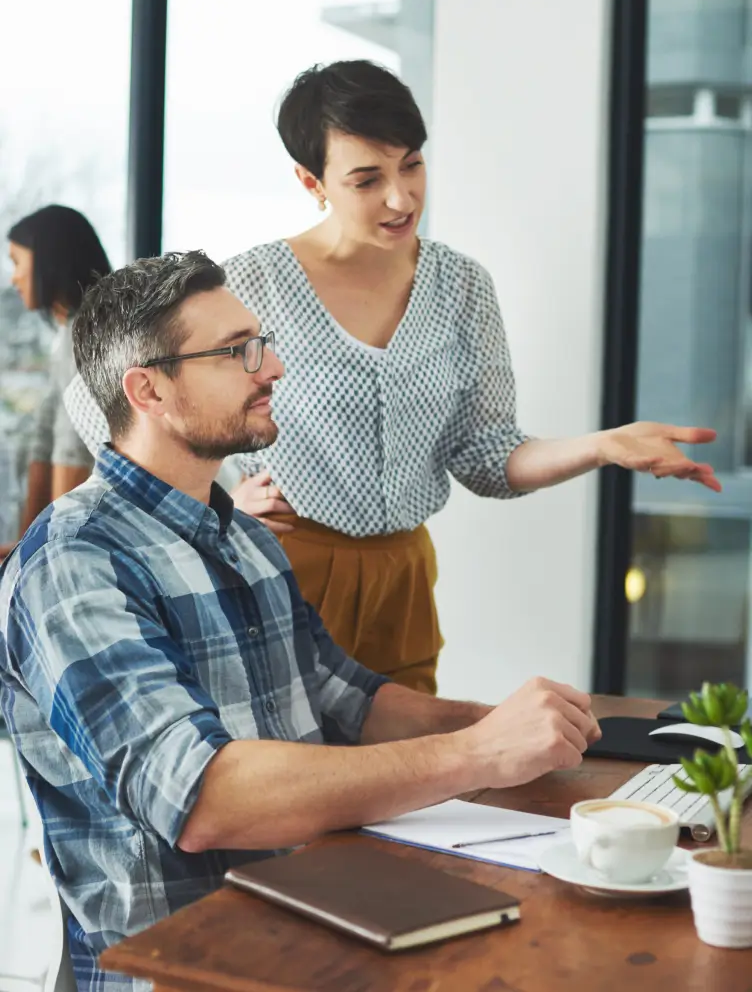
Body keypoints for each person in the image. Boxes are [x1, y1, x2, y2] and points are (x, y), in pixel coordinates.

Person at [0, 251, 600, 992]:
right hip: (187, 971)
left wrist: (533, 729)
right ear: (147, 390)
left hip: (315, 926)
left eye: (265, 342)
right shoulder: (72, 560)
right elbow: (202, 799)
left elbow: (347, 702)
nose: (274, 366)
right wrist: (480, 752)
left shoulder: (245, 539)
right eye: (238, 352)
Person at [62, 61, 721, 696]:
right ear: (310, 180)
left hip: (402, 580)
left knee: (411, 789)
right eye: (366, 178)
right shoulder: (250, 284)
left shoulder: (463, 287)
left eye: (412, 165)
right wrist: (221, 498)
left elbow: (487, 455)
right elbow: (97, 403)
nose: (401, 197)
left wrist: (602, 446)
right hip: (282, 567)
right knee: (291, 786)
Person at [2, 205, 111, 559]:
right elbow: (45, 437)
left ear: (48, 257)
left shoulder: (85, 333)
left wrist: (54, 554)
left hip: (89, 538)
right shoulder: (68, 332)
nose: (14, 278)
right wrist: (26, 549)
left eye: (17, 262)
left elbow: (72, 444)